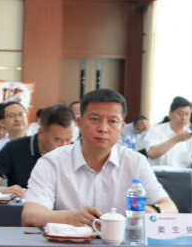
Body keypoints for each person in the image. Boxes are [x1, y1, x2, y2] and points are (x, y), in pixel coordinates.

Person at [22, 89, 176, 228]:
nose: (103, 128)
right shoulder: (52, 162)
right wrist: (70, 217)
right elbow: (30, 215)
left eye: (112, 121)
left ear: (121, 128)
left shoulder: (136, 162)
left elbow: (170, 208)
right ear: (80, 123)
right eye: (95, 119)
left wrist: (153, 210)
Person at [0, 104, 74, 198]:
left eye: (69, 139)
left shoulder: (75, 150)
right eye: (58, 140)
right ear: (41, 132)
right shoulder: (14, 148)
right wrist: (6, 190)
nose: (64, 145)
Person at [142, 96, 192, 169]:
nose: (183, 118)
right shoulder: (155, 131)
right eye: (180, 114)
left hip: (183, 175)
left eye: (187, 114)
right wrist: (176, 139)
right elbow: (151, 154)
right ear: (170, 114)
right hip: (158, 174)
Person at [0, 101, 28, 169]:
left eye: (21, 114)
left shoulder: (38, 143)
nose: (18, 119)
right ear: (3, 122)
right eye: (11, 116)